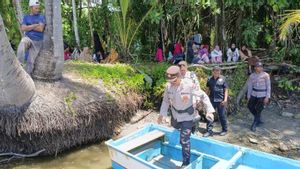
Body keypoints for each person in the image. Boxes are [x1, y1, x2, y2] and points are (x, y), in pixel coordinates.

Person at [158, 66, 215, 167]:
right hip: (175, 115)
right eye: (170, 80)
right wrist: (162, 114)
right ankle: (192, 127)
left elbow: (203, 96)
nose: (172, 82)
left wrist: (209, 111)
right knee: (176, 128)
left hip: (187, 116)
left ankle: (185, 163)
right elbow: (166, 101)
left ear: (179, 77)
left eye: (174, 80)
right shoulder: (168, 86)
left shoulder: (189, 85)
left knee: (184, 140)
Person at [17, 0, 45, 75]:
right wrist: (35, 25)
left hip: (37, 41)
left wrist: (28, 27)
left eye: (38, 8)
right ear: (31, 8)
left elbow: (41, 29)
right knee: (22, 44)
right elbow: (23, 28)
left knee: (31, 61)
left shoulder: (41, 17)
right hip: (28, 38)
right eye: (36, 8)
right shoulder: (26, 17)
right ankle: (19, 64)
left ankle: (26, 77)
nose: (38, 10)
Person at [204, 66, 229, 137]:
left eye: (218, 71)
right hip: (211, 100)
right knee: (209, 115)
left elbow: (226, 90)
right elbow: (207, 89)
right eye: (215, 71)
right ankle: (209, 131)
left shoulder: (223, 78)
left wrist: (225, 100)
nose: (216, 72)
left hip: (221, 101)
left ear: (220, 72)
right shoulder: (209, 79)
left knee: (222, 116)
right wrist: (205, 98)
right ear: (212, 72)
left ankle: (224, 130)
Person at [247, 62, 271, 132]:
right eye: (258, 67)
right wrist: (249, 96)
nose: (260, 68)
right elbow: (250, 86)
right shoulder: (252, 76)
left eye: (261, 67)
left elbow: (268, 86)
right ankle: (258, 118)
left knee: (259, 109)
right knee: (250, 106)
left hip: (262, 94)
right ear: (255, 68)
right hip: (254, 93)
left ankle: (254, 124)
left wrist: (267, 97)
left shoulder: (266, 75)